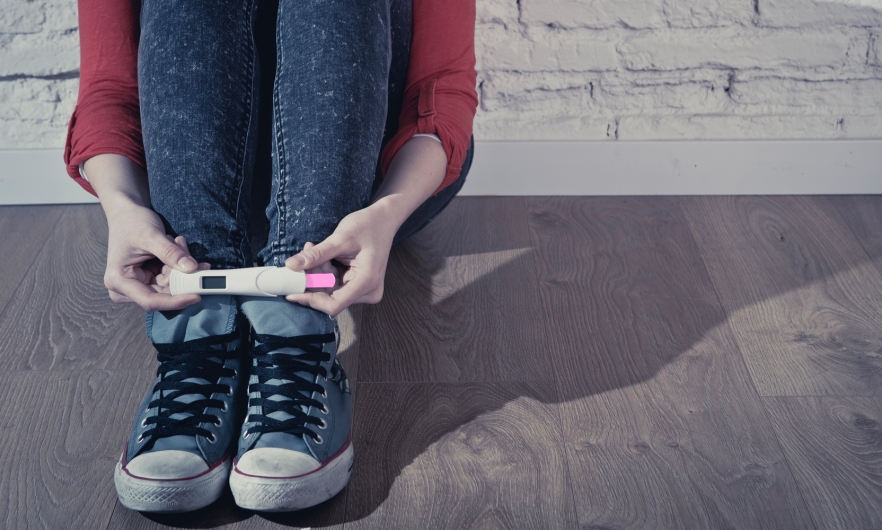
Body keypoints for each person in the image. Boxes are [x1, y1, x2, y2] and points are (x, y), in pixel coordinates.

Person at [64, 0, 477, 513]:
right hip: (194, 184)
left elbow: (441, 88)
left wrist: (388, 212)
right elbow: (110, 89)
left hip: (369, 182)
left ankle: (294, 335)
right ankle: (199, 337)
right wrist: (123, 206)